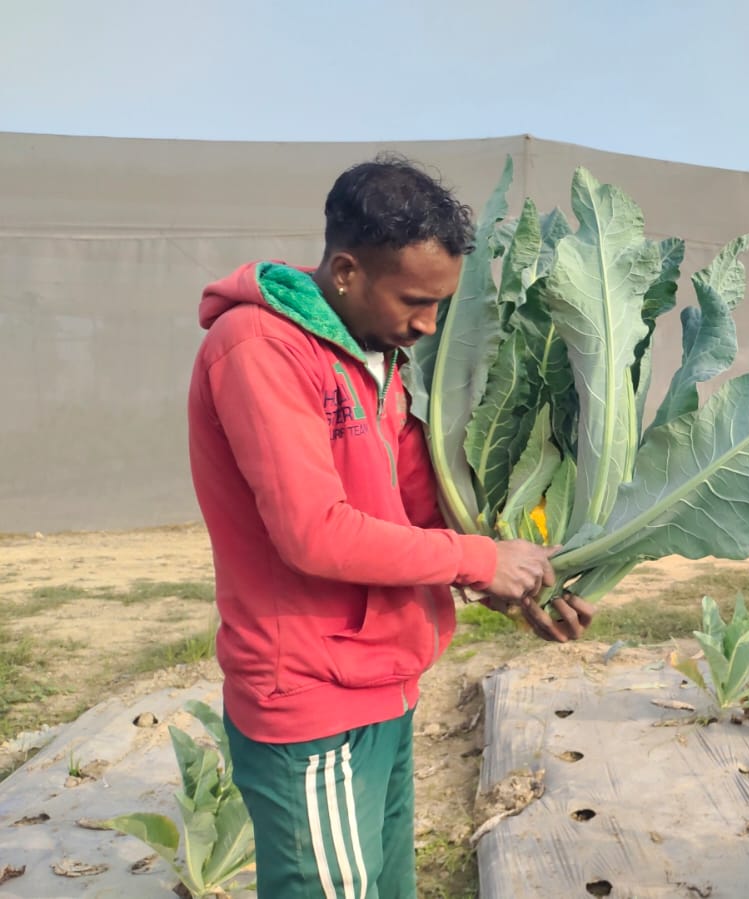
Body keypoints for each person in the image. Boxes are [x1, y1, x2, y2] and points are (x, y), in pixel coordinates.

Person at [187, 154, 595, 897]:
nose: (429, 323)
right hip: (312, 698)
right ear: (345, 270)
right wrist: (476, 558)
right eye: (414, 299)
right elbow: (313, 531)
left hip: (384, 680)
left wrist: (517, 580)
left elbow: (411, 505)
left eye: (441, 303)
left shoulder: (375, 358)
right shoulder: (259, 349)